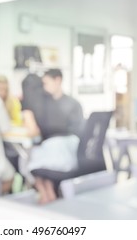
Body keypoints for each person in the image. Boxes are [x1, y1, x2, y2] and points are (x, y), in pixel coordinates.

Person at [23, 68, 84, 204]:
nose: (44, 87)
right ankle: (48, 195)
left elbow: (76, 132)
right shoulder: (44, 104)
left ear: (58, 80)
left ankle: (47, 196)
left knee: (30, 161)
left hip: (65, 150)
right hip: (51, 149)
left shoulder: (72, 104)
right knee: (34, 157)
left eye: (46, 83)